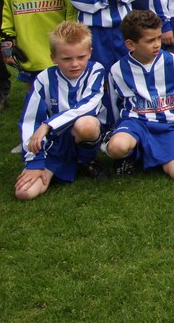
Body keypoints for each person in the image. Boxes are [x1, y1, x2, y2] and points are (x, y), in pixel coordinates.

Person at [14, 21, 108, 200]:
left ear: (90, 52)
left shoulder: (96, 71)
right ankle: (55, 165)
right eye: (66, 59)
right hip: (54, 143)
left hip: (81, 133)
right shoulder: (43, 79)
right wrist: (34, 161)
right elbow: (30, 120)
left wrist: (48, 125)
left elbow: (88, 106)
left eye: (81, 57)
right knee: (24, 193)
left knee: (86, 124)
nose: (75, 64)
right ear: (53, 57)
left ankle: (87, 161)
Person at [104, 10, 174, 179]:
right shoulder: (117, 70)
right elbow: (114, 105)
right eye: (150, 41)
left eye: (158, 38)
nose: (157, 44)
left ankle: (143, 153)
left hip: (167, 125)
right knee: (117, 147)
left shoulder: (172, 61)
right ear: (131, 44)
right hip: (135, 124)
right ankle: (127, 153)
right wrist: (116, 128)